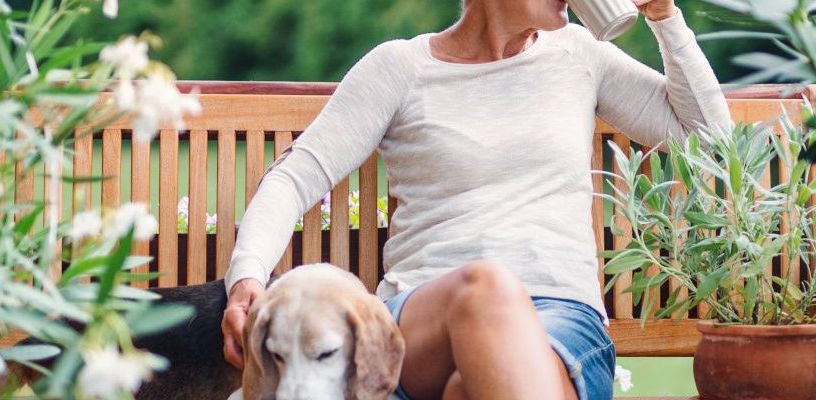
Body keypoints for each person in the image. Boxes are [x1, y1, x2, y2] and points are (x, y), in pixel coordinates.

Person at [219, 0, 731, 397]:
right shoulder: (399, 68)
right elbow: (294, 177)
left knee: (469, 390)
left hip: (561, 320)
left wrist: (664, 15)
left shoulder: (580, 55)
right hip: (421, 320)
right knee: (486, 288)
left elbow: (713, 144)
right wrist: (247, 278)